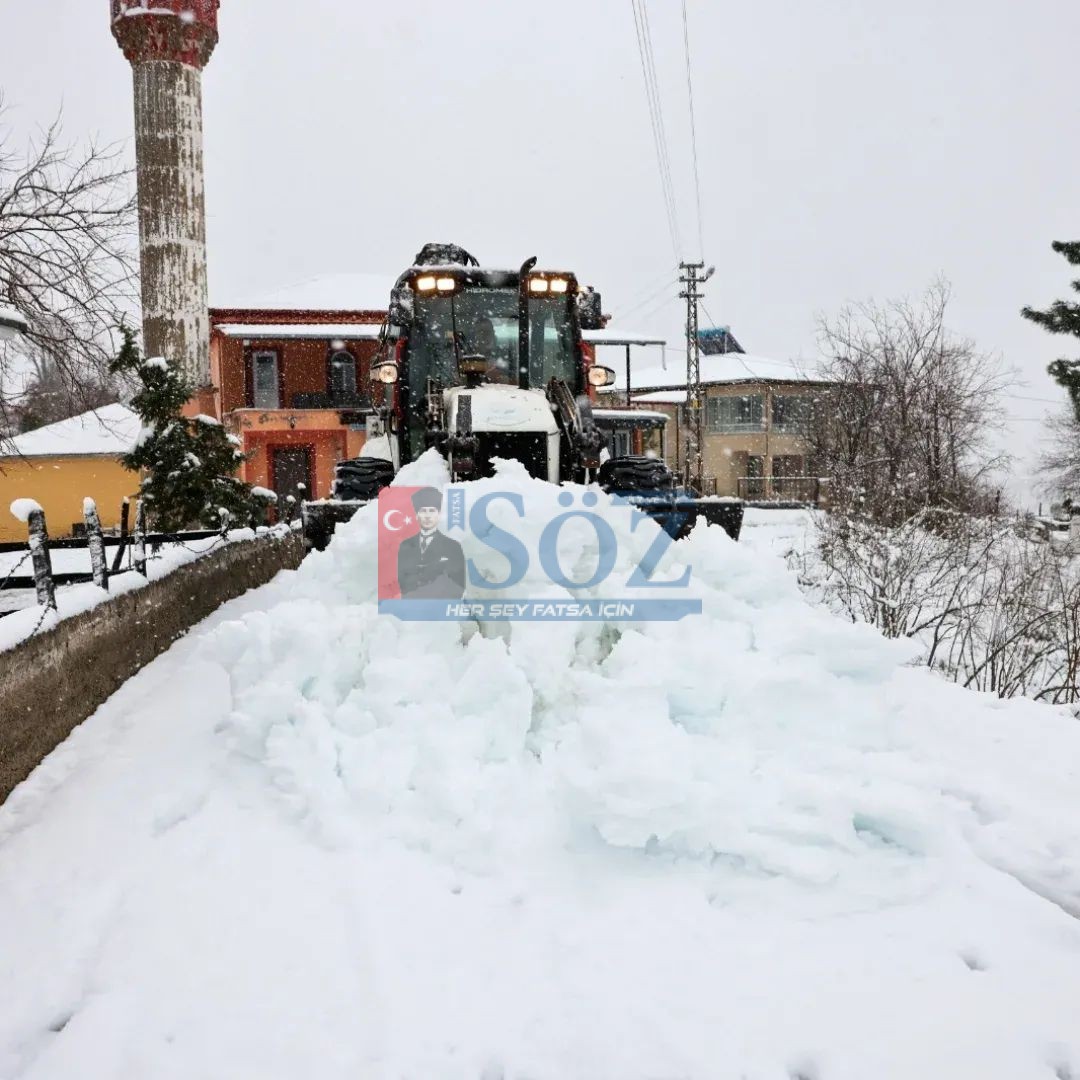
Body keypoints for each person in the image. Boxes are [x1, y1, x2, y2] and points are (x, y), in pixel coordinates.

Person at [396, 487, 466, 599]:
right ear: (416, 515)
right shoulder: (405, 545)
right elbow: (402, 580)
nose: (428, 516)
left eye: (432, 511)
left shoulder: (453, 546)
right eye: (423, 511)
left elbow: (459, 584)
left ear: (438, 515)